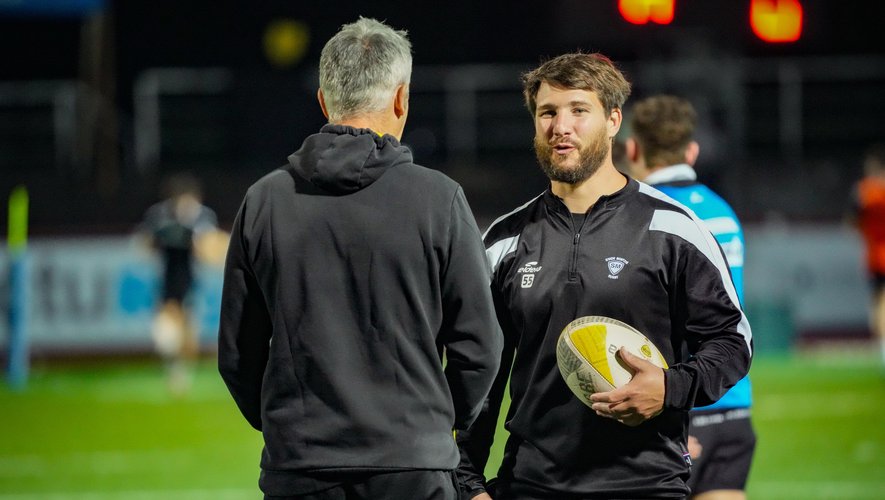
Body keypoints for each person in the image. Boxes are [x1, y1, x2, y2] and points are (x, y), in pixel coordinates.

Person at [217, 17, 502, 500]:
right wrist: (431, 424)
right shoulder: (439, 199)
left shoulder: (265, 200)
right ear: (401, 98)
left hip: (300, 469)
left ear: (324, 101)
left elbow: (237, 354)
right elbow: (480, 347)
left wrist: (290, 428)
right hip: (414, 468)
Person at [456, 52, 753, 499]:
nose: (561, 126)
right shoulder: (505, 240)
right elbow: (479, 374)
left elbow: (733, 342)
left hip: (647, 486)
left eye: (579, 110)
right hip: (531, 486)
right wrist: (467, 484)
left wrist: (670, 387)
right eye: (547, 112)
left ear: (614, 121)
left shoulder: (673, 229)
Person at [624, 95, 755, 500]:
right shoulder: (724, 211)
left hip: (675, 403)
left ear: (632, 149)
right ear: (692, 151)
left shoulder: (646, 215)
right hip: (733, 401)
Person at [139, 171, 226, 396]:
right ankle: (173, 364)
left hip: (191, 278)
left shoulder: (202, 217)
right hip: (167, 277)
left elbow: (209, 249)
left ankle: (181, 371)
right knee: (166, 332)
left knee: (189, 329)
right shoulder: (159, 216)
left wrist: (209, 249)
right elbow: (145, 244)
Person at [849, 143, 885, 367]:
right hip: (876, 256)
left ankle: (883, 350)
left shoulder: (865, 191)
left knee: (879, 304)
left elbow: (852, 220)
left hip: (876, 257)